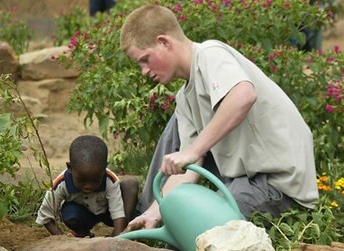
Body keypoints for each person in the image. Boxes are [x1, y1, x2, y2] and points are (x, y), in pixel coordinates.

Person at [120, 5, 319, 232]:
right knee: (184, 224)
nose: (144, 71)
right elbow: (189, 168)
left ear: (164, 42)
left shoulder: (209, 54)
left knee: (202, 231)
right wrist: (155, 212)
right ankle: (145, 209)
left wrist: (193, 150)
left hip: (278, 186)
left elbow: (244, 95)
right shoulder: (185, 98)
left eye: (145, 60)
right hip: (244, 182)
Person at [36, 135, 138, 237]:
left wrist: (116, 239)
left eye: (95, 180)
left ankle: (123, 232)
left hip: (108, 213)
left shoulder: (109, 179)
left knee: (130, 185)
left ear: (104, 169)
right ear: (70, 168)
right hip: (83, 215)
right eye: (82, 180)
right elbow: (45, 215)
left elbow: (117, 213)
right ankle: (82, 233)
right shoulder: (61, 183)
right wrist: (61, 238)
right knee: (70, 214)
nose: (88, 186)